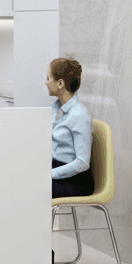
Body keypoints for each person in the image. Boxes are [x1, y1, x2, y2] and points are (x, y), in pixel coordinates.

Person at [46, 57, 94, 198]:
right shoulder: (54, 109)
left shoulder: (79, 116)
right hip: (56, 169)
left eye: (48, 78)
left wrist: (50, 175)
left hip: (76, 181)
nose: (45, 82)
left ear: (60, 83)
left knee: (33, 189)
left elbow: (82, 162)